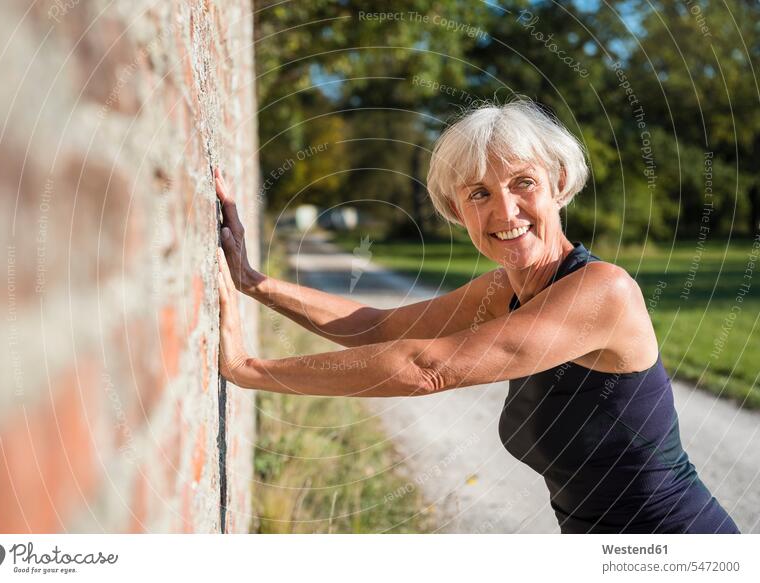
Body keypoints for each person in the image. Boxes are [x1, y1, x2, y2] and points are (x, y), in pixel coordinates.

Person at [212, 97, 740, 534]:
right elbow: (379, 327)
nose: (504, 212)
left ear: (557, 181)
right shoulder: (500, 290)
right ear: (457, 209)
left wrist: (250, 371)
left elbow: (425, 368)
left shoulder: (604, 292)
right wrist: (254, 283)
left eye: (522, 183)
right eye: (479, 194)